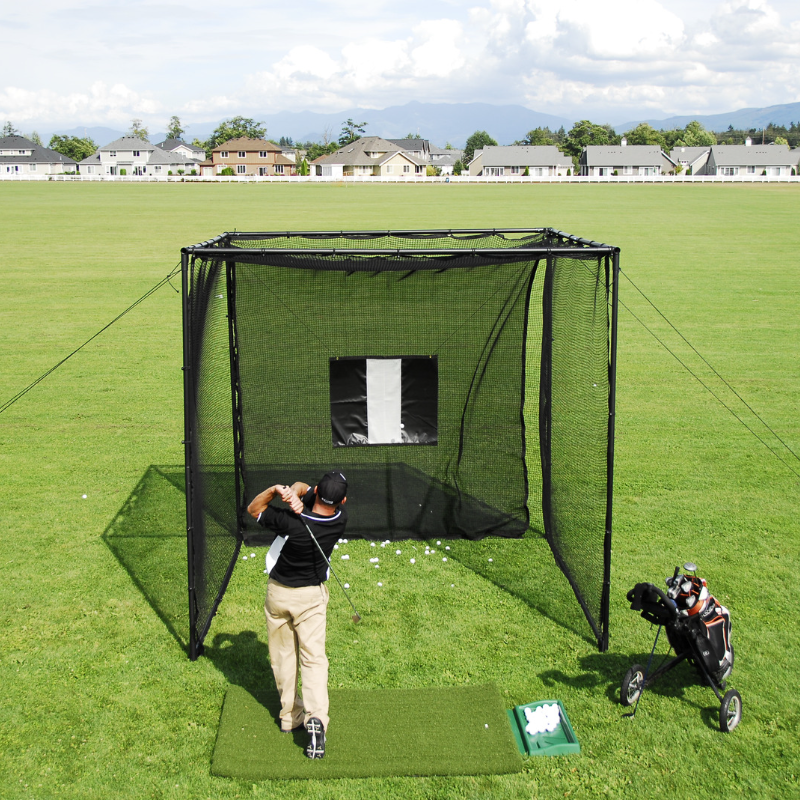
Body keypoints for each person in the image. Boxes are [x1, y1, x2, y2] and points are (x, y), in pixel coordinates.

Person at [246, 470, 348, 760]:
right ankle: (316, 718)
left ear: (318, 492)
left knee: (283, 658)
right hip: (310, 599)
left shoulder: (288, 521)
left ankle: (290, 716)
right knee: (313, 658)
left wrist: (275, 490)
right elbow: (305, 487)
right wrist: (293, 491)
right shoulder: (340, 519)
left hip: (279, 596)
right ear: (341, 500)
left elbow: (254, 509)